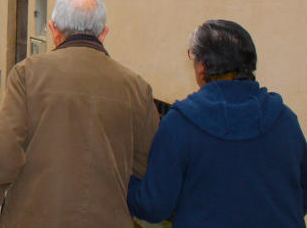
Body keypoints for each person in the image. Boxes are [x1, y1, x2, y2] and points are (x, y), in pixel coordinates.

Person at [0, 0, 159, 228]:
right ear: (104, 33)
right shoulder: (137, 88)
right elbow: (146, 165)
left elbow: (3, 149)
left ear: (53, 30)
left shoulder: (28, 73)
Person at [127, 20, 307, 227]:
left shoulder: (181, 123)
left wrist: (125, 181)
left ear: (202, 65)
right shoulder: (285, 118)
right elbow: (301, 190)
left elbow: (154, 206)